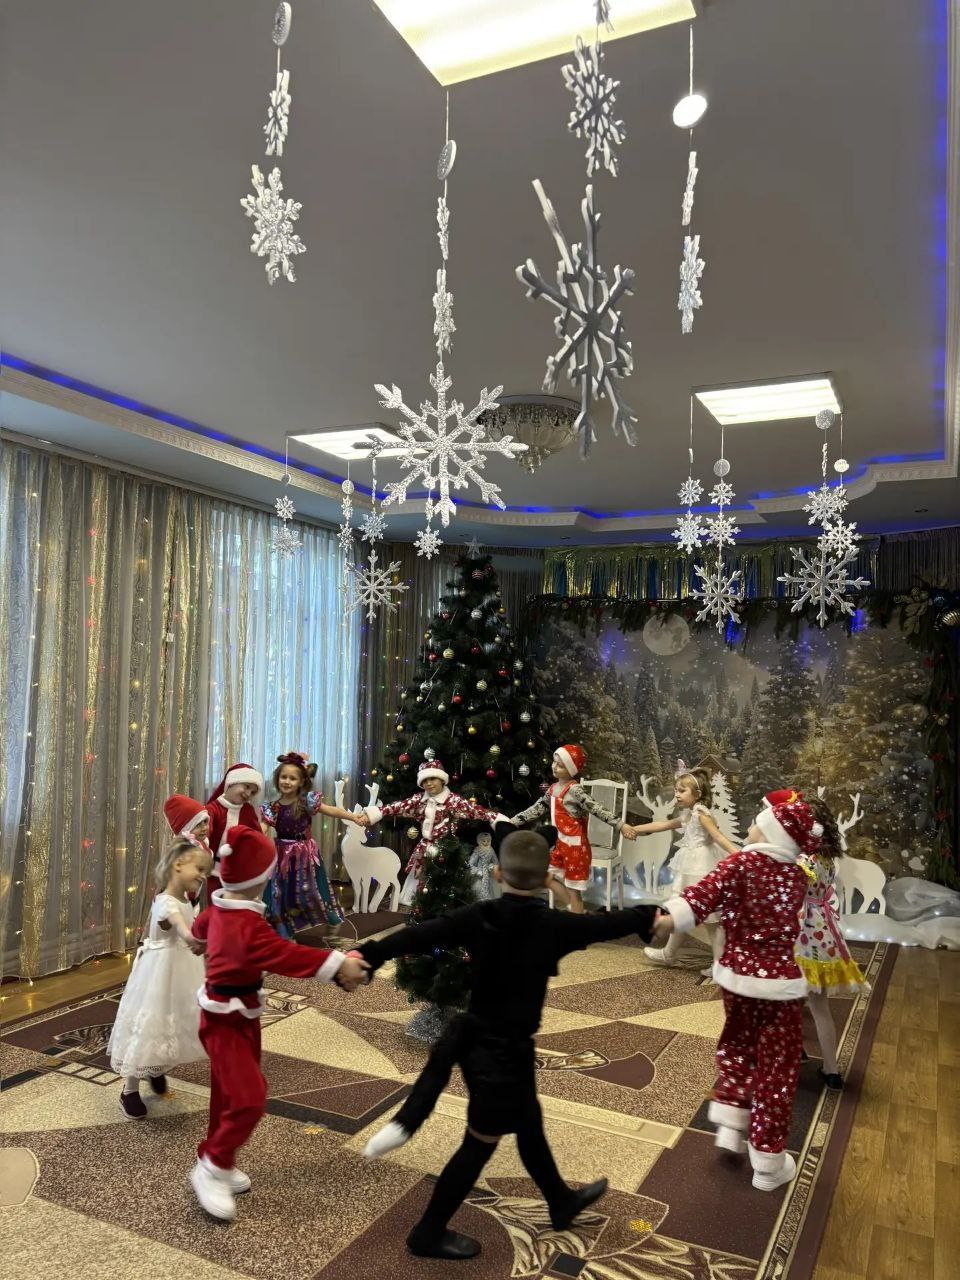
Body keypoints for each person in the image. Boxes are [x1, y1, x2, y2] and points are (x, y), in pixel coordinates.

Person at [356, 827, 659, 1260]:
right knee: (480, 1144)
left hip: (486, 1042)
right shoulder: (555, 926)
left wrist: (370, 955)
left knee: (528, 1121)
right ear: (547, 878)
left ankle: (560, 1201)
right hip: (497, 1055)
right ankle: (427, 1232)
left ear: (498, 874)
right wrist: (651, 915)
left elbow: (419, 935)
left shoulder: (479, 915)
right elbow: (608, 923)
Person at [189, 825, 368, 1222]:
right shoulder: (247, 925)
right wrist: (340, 964)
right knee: (250, 1098)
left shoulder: (221, 907)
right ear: (260, 880)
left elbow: (202, 927)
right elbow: (286, 955)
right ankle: (212, 1165)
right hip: (225, 1018)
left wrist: (197, 938)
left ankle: (215, 1155)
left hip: (239, 1013)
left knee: (227, 1093)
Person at [650, 793, 820, 1191]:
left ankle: (730, 1124)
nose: (748, 826)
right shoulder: (798, 874)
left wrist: (666, 920)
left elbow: (700, 898)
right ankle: (769, 1164)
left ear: (774, 833)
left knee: (737, 1047)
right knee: (777, 1071)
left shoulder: (740, 864)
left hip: (738, 981)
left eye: (758, 821)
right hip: (781, 987)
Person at [108, 836, 213, 1118]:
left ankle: (155, 1067)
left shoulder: (186, 900)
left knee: (172, 1021)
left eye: (205, 871)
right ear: (178, 865)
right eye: (199, 869)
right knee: (149, 1024)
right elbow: (177, 924)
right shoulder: (165, 902)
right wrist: (190, 938)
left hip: (181, 973)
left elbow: (191, 922)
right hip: (157, 974)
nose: (203, 876)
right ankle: (129, 1089)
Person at [628, 764, 739, 974]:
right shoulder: (690, 814)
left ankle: (720, 967)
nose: (677, 795)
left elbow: (718, 837)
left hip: (700, 867)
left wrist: (740, 856)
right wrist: (635, 829)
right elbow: (662, 825)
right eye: (676, 790)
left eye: (682, 791)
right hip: (690, 866)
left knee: (710, 921)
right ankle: (669, 953)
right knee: (684, 911)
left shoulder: (701, 814)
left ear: (697, 793)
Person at [794, 792, 870, 1090]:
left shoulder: (803, 859)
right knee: (819, 1006)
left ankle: (794, 1052)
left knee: (787, 1000)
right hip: (823, 933)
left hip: (801, 935)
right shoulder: (826, 857)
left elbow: (796, 896)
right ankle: (831, 1069)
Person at [363, 756, 505, 906]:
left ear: (442, 779)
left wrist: (497, 819)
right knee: (420, 890)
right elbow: (397, 807)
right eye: (425, 780)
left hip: (447, 851)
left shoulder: (454, 801)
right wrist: (374, 813)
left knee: (447, 888)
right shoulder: (419, 800)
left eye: (432, 779)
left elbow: (476, 811)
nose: (429, 783)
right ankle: (420, 906)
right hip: (425, 849)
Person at [509, 744, 625, 914]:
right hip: (559, 844)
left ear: (571, 769)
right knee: (547, 876)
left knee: (574, 891)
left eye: (561, 765)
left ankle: (577, 921)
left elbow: (596, 808)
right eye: (554, 762)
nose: (555, 767)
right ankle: (572, 912)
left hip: (575, 847)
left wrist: (620, 825)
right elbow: (537, 808)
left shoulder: (575, 790)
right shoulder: (552, 789)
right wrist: (513, 821)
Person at [260, 750, 363, 936]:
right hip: (282, 857)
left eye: (292, 778)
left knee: (313, 891)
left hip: (305, 856)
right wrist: (249, 837)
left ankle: (331, 918)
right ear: (277, 779)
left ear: (301, 782)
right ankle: (284, 931)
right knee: (281, 893)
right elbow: (263, 827)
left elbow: (332, 810)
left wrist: (353, 817)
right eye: (283, 777)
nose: (287, 781)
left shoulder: (306, 801)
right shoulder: (273, 807)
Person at [204, 762, 264, 893]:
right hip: (213, 871)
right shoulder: (213, 808)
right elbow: (205, 832)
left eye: (252, 792)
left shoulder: (248, 811)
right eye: (246, 786)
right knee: (213, 900)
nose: (248, 793)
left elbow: (257, 837)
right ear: (232, 782)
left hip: (238, 873)